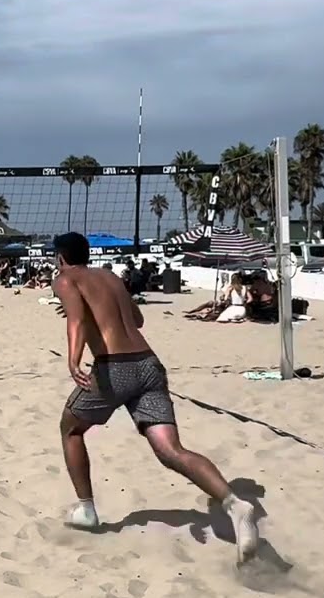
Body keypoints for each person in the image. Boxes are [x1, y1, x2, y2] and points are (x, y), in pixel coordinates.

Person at [50, 232, 259, 566]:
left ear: (61, 257)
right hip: (148, 365)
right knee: (171, 451)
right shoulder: (110, 277)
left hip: (114, 369)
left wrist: (73, 359)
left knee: (70, 429)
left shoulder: (65, 279)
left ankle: (86, 509)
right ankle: (234, 504)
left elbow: (75, 320)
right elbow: (137, 319)